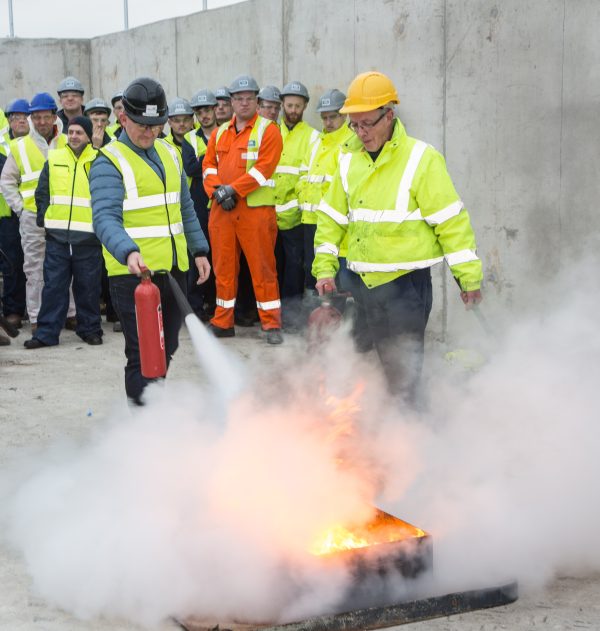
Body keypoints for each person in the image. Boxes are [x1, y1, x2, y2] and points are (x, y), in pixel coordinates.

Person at [313, 72, 483, 406]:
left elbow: (451, 222)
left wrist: (468, 278)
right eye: (354, 125)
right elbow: (330, 220)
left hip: (406, 287)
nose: (361, 133)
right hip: (364, 285)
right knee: (373, 362)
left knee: (404, 372)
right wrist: (324, 269)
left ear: (389, 115)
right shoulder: (348, 161)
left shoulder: (421, 159)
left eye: (367, 124)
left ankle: (411, 427)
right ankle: (389, 421)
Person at [90, 77, 210, 406]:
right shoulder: (108, 161)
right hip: (134, 276)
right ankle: (143, 423)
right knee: (143, 353)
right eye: (142, 125)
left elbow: (185, 207)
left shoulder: (170, 152)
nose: (150, 132)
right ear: (123, 118)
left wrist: (199, 249)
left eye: (156, 125)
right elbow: (104, 218)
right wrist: (128, 252)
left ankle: (153, 410)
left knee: (167, 347)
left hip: (173, 270)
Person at [202, 74, 283, 344]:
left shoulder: (268, 130)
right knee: (223, 269)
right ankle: (223, 322)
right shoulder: (219, 133)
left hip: (254, 211)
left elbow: (263, 169)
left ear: (257, 102)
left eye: (249, 98)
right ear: (231, 102)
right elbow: (208, 167)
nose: (244, 103)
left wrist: (232, 190)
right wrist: (217, 191)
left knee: (263, 269)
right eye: (239, 98)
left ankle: (271, 325)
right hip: (222, 210)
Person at [24, 116, 103, 349]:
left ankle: (90, 330)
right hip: (57, 237)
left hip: (88, 237)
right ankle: (46, 333)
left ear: (88, 136)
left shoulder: (99, 160)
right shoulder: (55, 158)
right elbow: (42, 192)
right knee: (54, 286)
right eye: (71, 132)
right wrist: (45, 219)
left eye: (79, 132)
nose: (74, 136)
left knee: (88, 287)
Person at [0, 92, 76, 333]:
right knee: (34, 269)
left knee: (67, 266)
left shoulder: (68, 141)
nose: (41, 122)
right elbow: (7, 181)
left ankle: (70, 313)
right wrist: (21, 209)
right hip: (33, 217)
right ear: (31, 118)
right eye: (37, 117)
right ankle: (36, 317)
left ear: (54, 116)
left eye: (45, 117)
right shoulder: (20, 146)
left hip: (63, 215)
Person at [297, 88, 353, 292]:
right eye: (324, 117)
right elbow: (303, 176)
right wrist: (302, 198)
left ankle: (341, 312)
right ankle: (319, 312)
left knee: (341, 281)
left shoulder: (351, 143)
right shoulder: (316, 143)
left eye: (333, 117)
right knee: (314, 276)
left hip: (337, 224)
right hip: (311, 221)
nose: (328, 122)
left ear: (344, 115)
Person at [274, 81, 319, 330]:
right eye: (289, 105)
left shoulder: (312, 137)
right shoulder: (270, 132)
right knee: (273, 269)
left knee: (294, 270)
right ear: (282, 104)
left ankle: (291, 319)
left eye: (297, 106)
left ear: (305, 106)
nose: (292, 110)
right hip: (269, 215)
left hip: (295, 217)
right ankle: (271, 317)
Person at [181, 89, 218, 321]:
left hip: (222, 201)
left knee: (220, 258)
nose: (204, 115)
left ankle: (216, 304)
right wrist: (214, 154)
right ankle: (195, 307)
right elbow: (191, 168)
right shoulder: (190, 139)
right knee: (199, 255)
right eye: (199, 112)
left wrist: (204, 159)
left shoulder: (226, 132)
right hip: (199, 203)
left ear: (215, 110)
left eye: (207, 110)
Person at [0, 99, 29, 332]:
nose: (20, 121)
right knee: (12, 262)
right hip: (8, 213)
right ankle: (14, 310)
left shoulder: (39, 144)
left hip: (36, 212)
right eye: (15, 117)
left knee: (40, 264)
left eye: (24, 117)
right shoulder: (3, 147)